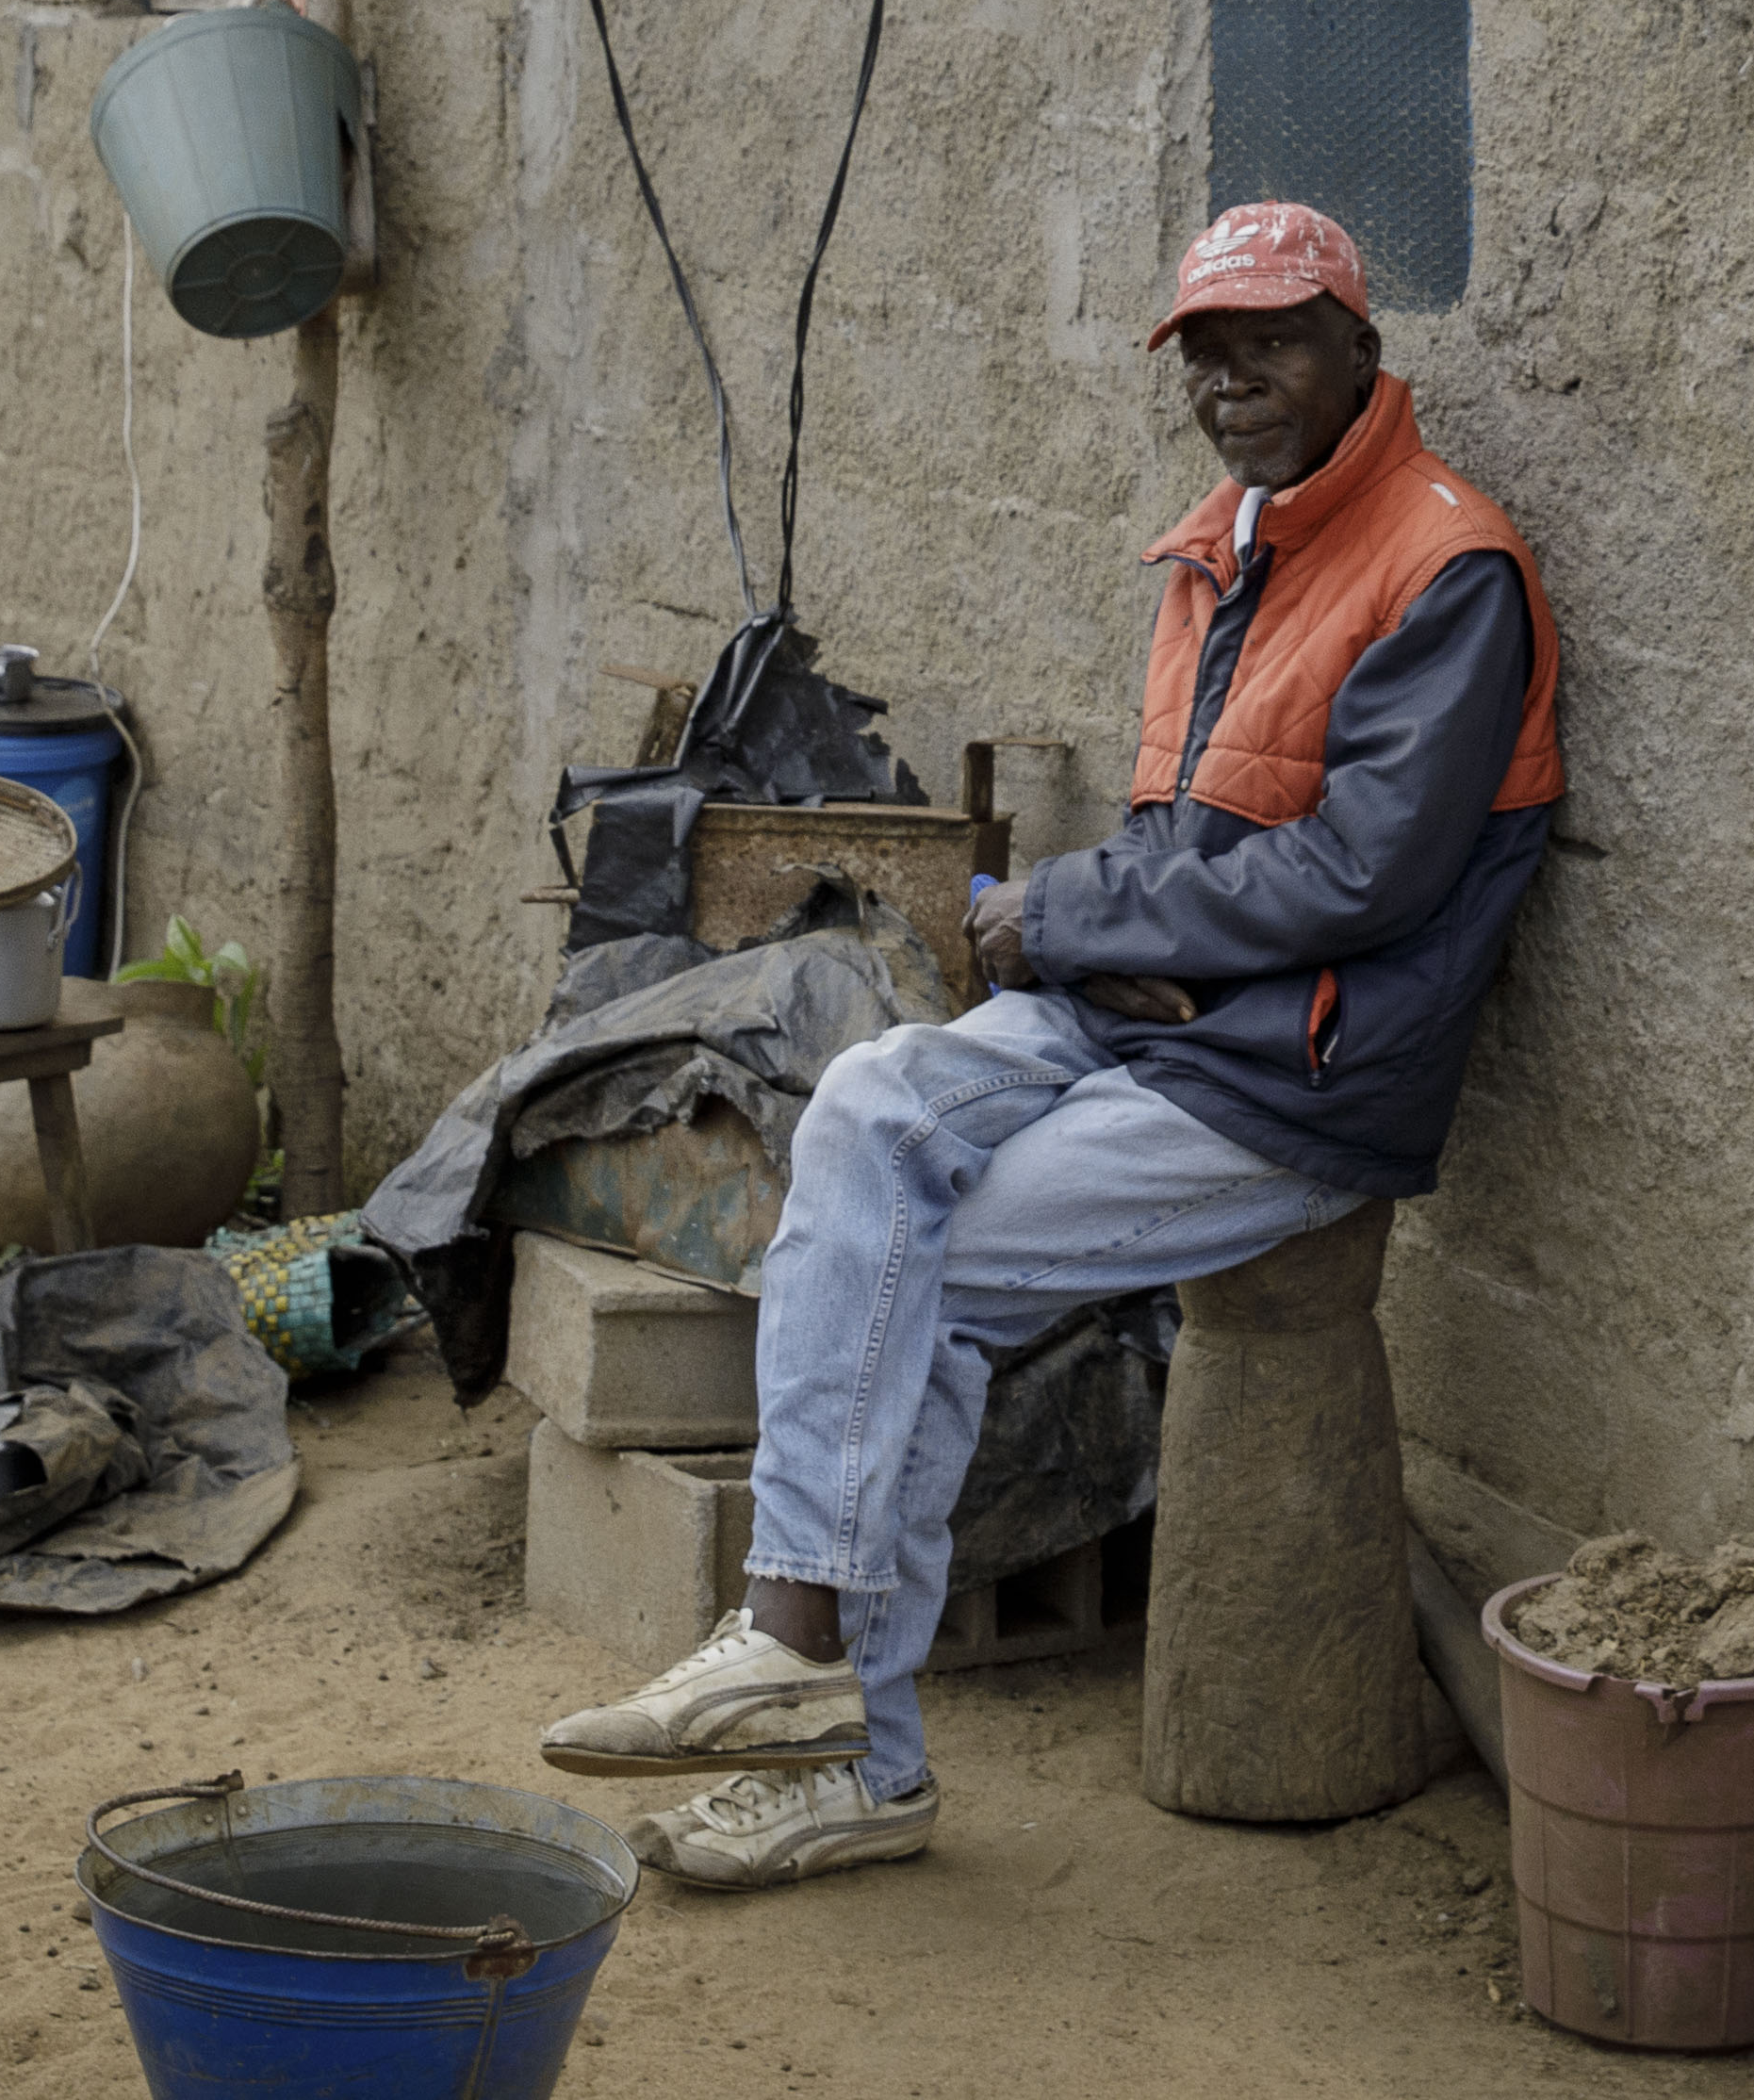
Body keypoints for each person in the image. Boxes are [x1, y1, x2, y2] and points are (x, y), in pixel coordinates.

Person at [540, 198, 1564, 1888]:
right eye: (1208, 353)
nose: (1236, 381)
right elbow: (1207, 846)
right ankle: (812, 1697)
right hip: (1152, 1018)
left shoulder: (1446, 567)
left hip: (1285, 1078)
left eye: (1276, 342)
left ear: (1362, 352)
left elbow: (1363, 876)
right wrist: (1111, 934)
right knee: (865, 1108)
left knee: (905, 1278)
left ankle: (826, 1712)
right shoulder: (1228, 544)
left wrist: (1074, 917)